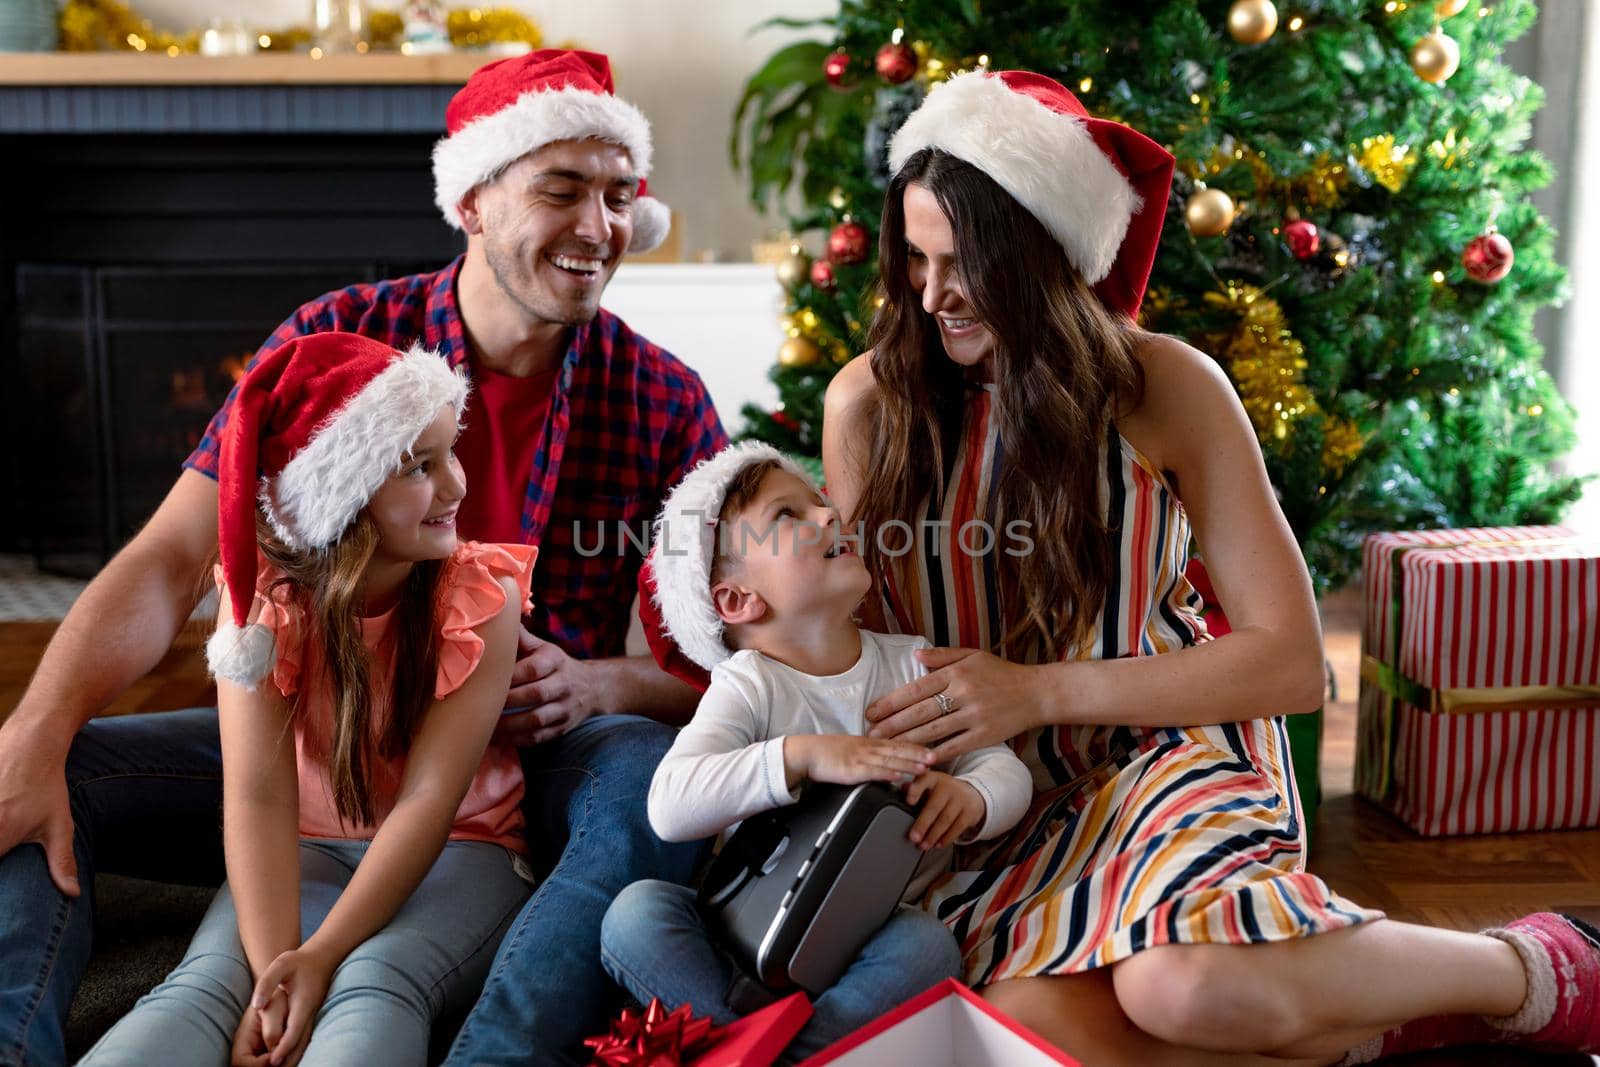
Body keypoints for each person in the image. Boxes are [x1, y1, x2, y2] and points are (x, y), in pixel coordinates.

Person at [811, 68, 1600, 1066]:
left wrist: (1037, 689)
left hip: (1169, 756)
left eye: (966, 263)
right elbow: (852, 645)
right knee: (1046, 1037)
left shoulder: (1165, 387)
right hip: (996, 800)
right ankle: (1375, 1019)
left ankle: (1534, 968)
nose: (933, 296)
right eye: (918, 260)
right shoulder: (867, 409)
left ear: (1044, 257)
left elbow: (1287, 662)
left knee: (1185, 982)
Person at [0, 49, 727, 1067]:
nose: (599, 228)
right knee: (38, 766)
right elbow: (172, 561)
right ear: (473, 200)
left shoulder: (662, 398)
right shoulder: (340, 338)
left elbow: (747, 652)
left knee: (648, 776)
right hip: (308, 742)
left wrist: (610, 678)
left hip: (512, 765)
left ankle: (496, 1051)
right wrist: (33, 726)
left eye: (618, 195)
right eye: (561, 190)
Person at [79, 332, 533, 1066]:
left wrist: (318, 957)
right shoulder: (261, 604)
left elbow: (429, 800)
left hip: (460, 846)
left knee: (375, 982)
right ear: (344, 496)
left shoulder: (483, 596)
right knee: (206, 987)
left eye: (451, 452)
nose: (456, 486)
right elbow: (257, 796)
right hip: (308, 843)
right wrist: (272, 972)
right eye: (421, 466)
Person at [603, 442, 1034, 1062]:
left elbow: (1001, 765)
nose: (829, 515)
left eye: (823, 502)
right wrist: (800, 756)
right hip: (738, 932)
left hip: (861, 936)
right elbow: (671, 806)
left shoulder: (910, 662)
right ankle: (744, 1037)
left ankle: (770, 1054)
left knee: (927, 949)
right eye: (789, 515)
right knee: (635, 914)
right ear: (736, 602)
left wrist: (972, 794)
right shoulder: (748, 685)